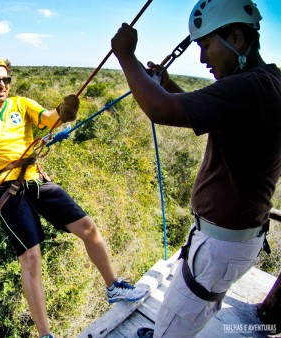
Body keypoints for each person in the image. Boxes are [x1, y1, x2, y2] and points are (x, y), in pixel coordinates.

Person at [110, 0, 281, 337]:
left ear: (236, 37)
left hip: (221, 243)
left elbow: (161, 110)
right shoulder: (266, 81)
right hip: (235, 235)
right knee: (197, 307)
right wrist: (168, 84)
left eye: (205, 45)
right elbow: (209, 113)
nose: (202, 58)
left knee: (176, 321)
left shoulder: (249, 87)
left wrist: (125, 55)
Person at [0, 56, 149, 338]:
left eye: (5, 79)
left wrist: (62, 111)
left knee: (88, 228)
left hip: (35, 179)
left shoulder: (21, 105)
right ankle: (46, 335)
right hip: (4, 188)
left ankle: (114, 286)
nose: (1, 84)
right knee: (31, 258)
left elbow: (46, 119)